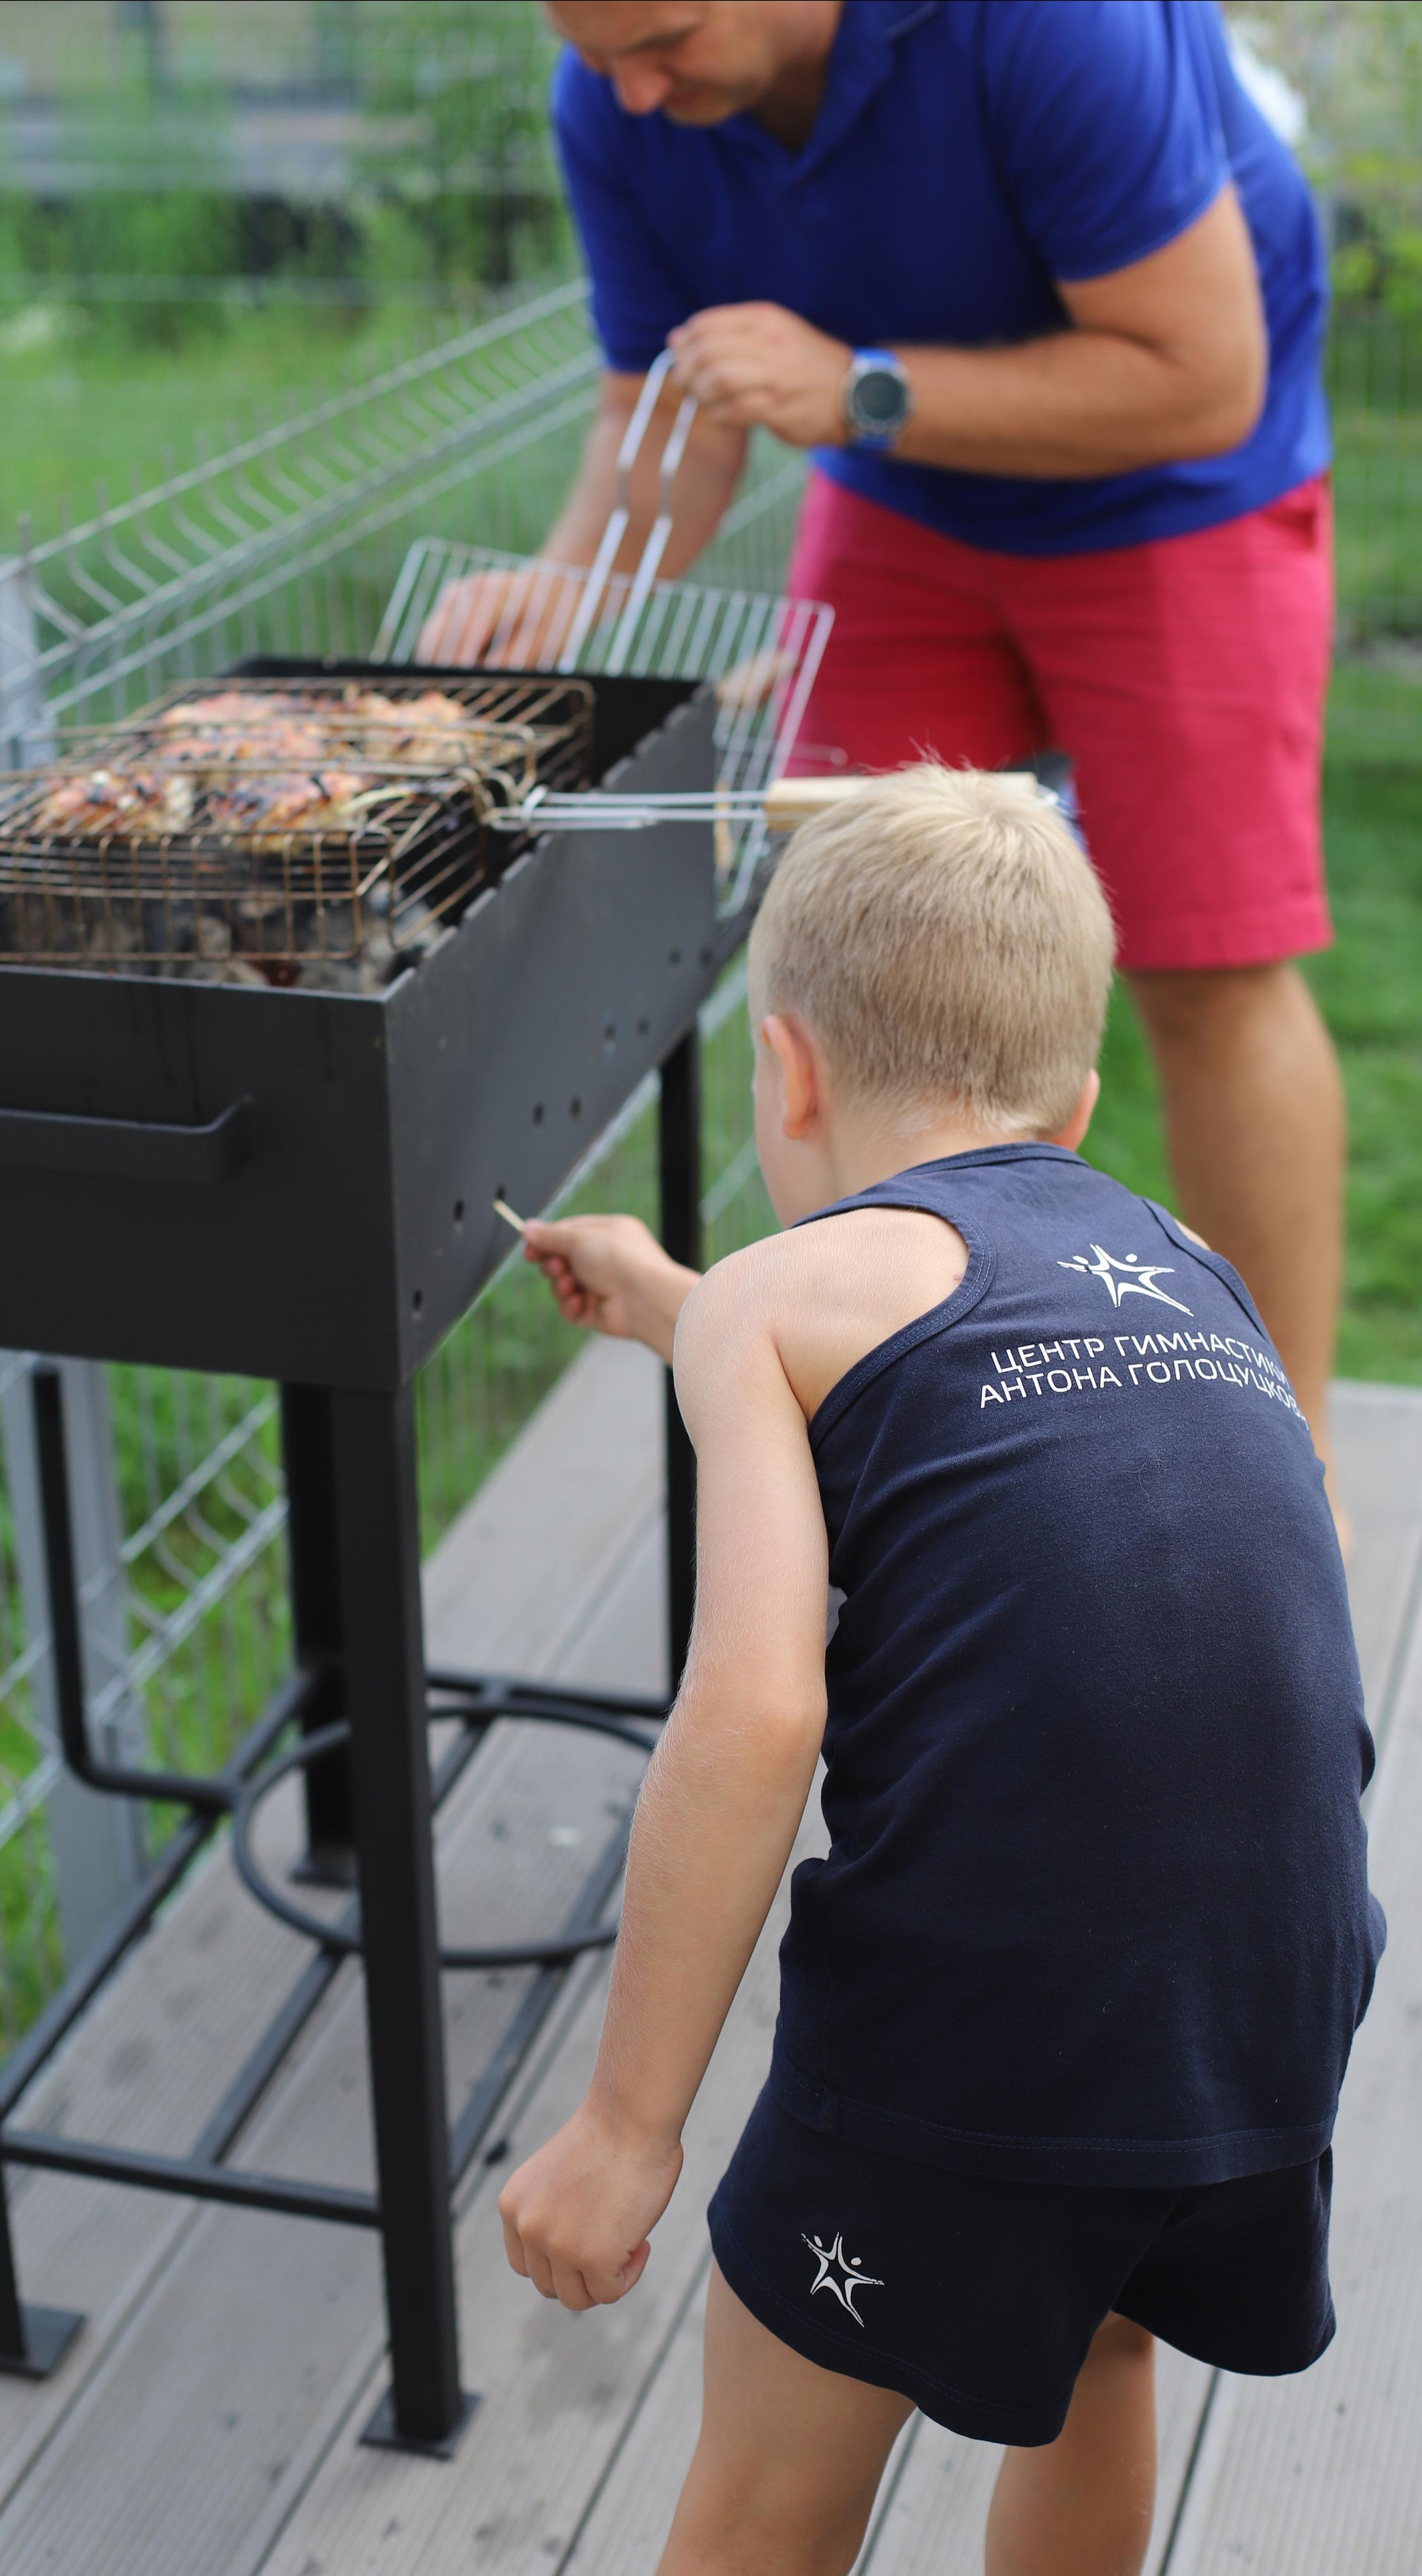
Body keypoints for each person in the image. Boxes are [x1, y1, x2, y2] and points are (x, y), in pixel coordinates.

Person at [495, 767, 1384, 2576]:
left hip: (973, 2047)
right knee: (1105, 2342)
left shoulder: (782, 1303)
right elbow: (958, 1360)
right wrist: (678, 1296)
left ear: (793, 1071)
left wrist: (624, 2126)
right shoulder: (1192, 1267)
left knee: (769, 2495)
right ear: (1072, 1102)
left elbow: (755, 1711)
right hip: (1259, 2028)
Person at [423, 0, 1348, 1523]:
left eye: (663, 39)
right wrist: (566, 586)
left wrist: (857, 388)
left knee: (1202, 966)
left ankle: (1280, 1476)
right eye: (599, 55)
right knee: (847, 960)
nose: (634, 94)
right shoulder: (615, 93)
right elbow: (660, 409)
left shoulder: (1049, 27)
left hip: (1180, 490)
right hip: (909, 493)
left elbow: (1201, 372)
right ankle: (921, 1434)